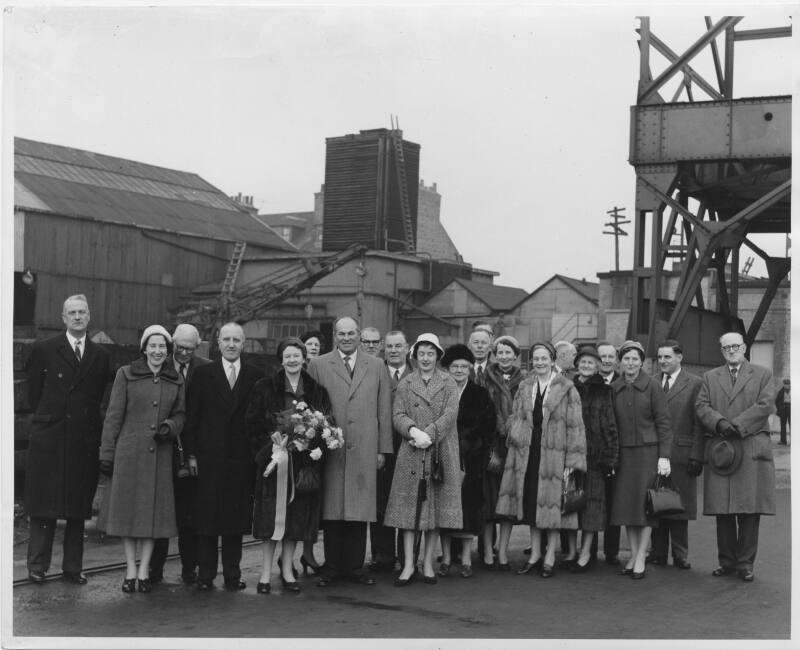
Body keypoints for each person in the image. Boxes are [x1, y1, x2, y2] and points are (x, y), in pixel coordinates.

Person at [24, 294, 112, 585]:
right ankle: (37, 566)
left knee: (77, 507)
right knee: (43, 505)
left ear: (89, 317)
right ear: (63, 318)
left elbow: (97, 396)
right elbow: (34, 395)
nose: (77, 317)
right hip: (50, 439)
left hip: (82, 440)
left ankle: (72, 568)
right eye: (71, 312)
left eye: (82, 312)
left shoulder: (100, 356)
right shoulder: (45, 350)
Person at [97, 325, 185, 593]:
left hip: (160, 455)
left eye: (162, 347)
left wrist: (170, 426)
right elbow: (113, 416)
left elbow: (182, 414)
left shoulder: (175, 379)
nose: (157, 351)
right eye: (153, 346)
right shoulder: (126, 374)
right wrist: (107, 453)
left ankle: (144, 570)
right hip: (129, 455)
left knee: (152, 517)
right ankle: (130, 569)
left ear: (168, 351)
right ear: (144, 348)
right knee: (127, 514)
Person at [306, 316, 393, 587]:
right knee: (332, 510)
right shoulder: (319, 365)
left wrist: (383, 450)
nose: (346, 338)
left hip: (365, 447)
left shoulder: (377, 365)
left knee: (360, 509)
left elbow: (384, 411)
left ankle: (355, 567)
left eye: (351, 333)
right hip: (332, 448)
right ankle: (331, 567)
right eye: (341, 333)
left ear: (358, 335)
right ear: (334, 335)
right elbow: (311, 406)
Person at [245, 338, 333, 594]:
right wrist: (269, 449)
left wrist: (313, 444)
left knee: (295, 520)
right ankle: (264, 574)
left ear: (304, 358)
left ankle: (287, 569)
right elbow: (251, 425)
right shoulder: (264, 388)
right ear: (281, 359)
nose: (292, 360)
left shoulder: (316, 390)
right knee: (270, 521)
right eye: (287, 356)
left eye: (297, 355)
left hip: (302, 467)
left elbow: (326, 424)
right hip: (274, 465)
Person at [495, 341, 586, 578]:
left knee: (553, 506)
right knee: (533, 503)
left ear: (552, 359)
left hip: (556, 456)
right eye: (536, 359)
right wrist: (515, 430)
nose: (540, 363)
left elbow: (576, 427)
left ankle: (549, 557)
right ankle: (535, 554)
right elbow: (515, 416)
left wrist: (573, 463)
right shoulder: (525, 386)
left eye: (544, 358)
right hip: (528, 454)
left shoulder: (568, 388)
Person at [182, 322, 261, 591]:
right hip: (208, 459)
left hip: (240, 461)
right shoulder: (204, 374)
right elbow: (191, 418)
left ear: (244, 343)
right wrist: (191, 455)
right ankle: (205, 575)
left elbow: (258, 420)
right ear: (217, 342)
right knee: (207, 520)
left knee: (234, 522)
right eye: (226, 339)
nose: (230, 344)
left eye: (236, 340)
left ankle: (232, 575)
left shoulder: (255, 376)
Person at [696, 331, 776, 583]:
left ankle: (745, 564)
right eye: (726, 347)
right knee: (724, 509)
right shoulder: (709, 377)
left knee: (750, 510)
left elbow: (765, 405)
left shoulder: (763, 374)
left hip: (750, 446)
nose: (731, 350)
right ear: (722, 351)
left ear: (744, 348)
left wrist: (738, 424)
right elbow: (701, 406)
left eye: (735, 346)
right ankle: (727, 562)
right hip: (722, 448)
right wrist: (719, 423)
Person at [384, 334, 462, 586]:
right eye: (421, 353)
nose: (425, 358)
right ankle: (408, 564)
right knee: (408, 514)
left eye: (430, 353)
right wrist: (413, 431)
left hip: (440, 451)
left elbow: (451, 413)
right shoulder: (406, 383)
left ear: (438, 356)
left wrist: (430, 434)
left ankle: (428, 563)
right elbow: (397, 414)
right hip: (412, 451)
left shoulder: (449, 382)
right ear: (414, 356)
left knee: (435, 512)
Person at [149, 323, 210, 585]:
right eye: (179, 347)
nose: (183, 353)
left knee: (189, 515)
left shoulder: (206, 369)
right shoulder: (160, 364)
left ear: (198, 347)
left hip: (193, 449)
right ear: (173, 342)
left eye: (189, 348)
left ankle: (189, 568)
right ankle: (154, 569)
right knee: (160, 512)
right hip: (163, 446)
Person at [609, 340, 672, 580]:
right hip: (624, 455)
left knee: (645, 508)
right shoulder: (614, 388)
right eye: (626, 359)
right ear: (621, 361)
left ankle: (641, 557)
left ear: (642, 361)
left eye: (635, 359)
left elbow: (664, 423)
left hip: (648, 454)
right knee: (627, 508)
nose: (631, 363)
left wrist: (664, 456)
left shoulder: (653, 386)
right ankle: (634, 555)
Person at [438, 344, 496, 578]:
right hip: (444, 458)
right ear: (448, 369)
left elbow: (489, 427)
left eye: (464, 366)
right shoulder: (440, 392)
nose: (460, 370)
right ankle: (446, 558)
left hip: (472, 462)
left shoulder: (480, 394)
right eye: (455, 366)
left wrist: (475, 448)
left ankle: (465, 559)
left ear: (470, 368)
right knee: (445, 509)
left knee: (468, 510)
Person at [647, 340, 704, 570]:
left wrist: (697, 455)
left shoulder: (695, 383)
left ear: (679, 357)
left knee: (679, 505)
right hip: (656, 452)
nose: (663, 361)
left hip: (682, 452)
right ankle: (657, 552)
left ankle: (680, 554)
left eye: (667, 357)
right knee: (656, 501)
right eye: (660, 357)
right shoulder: (651, 382)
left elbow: (699, 422)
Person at [568, 345, 619, 572]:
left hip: (595, 458)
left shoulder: (605, 391)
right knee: (569, 505)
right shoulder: (568, 387)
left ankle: (586, 552)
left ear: (598, 365)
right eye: (583, 362)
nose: (586, 365)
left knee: (591, 508)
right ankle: (570, 551)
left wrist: (610, 458)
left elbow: (610, 426)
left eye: (591, 362)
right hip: (569, 455)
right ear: (576, 364)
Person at [369, 330, 412, 572]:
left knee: (408, 502)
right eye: (389, 346)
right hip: (382, 446)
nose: (394, 350)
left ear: (407, 348)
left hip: (410, 446)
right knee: (381, 503)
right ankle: (383, 556)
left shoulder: (417, 374)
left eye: (398, 346)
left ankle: (407, 558)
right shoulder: (375, 372)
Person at [485, 335, 526, 569]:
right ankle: (489, 551)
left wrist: (513, 428)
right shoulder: (486, 379)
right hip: (492, 446)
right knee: (490, 500)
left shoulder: (524, 381)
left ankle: (503, 550)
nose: (504, 357)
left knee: (508, 499)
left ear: (516, 355)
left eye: (508, 352)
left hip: (514, 445)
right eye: (500, 352)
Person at [596, 341, 621, 565]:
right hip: (593, 452)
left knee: (613, 501)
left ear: (616, 359)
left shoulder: (623, 383)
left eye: (610, 356)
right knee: (592, 501)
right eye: (602, 356)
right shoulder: (588, 382)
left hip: (615, 451)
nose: (606, 360)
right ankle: (590, 550)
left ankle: (611, 551)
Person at [775, 378, 790, 445]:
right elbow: (777, 401)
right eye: (785, 384)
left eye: (788, 384)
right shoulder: (780, 391)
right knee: (783, 425)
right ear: (783, 384)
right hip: (783, 409)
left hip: (791, 409)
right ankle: (783, 441)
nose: (787, 385)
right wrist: (779, 409)